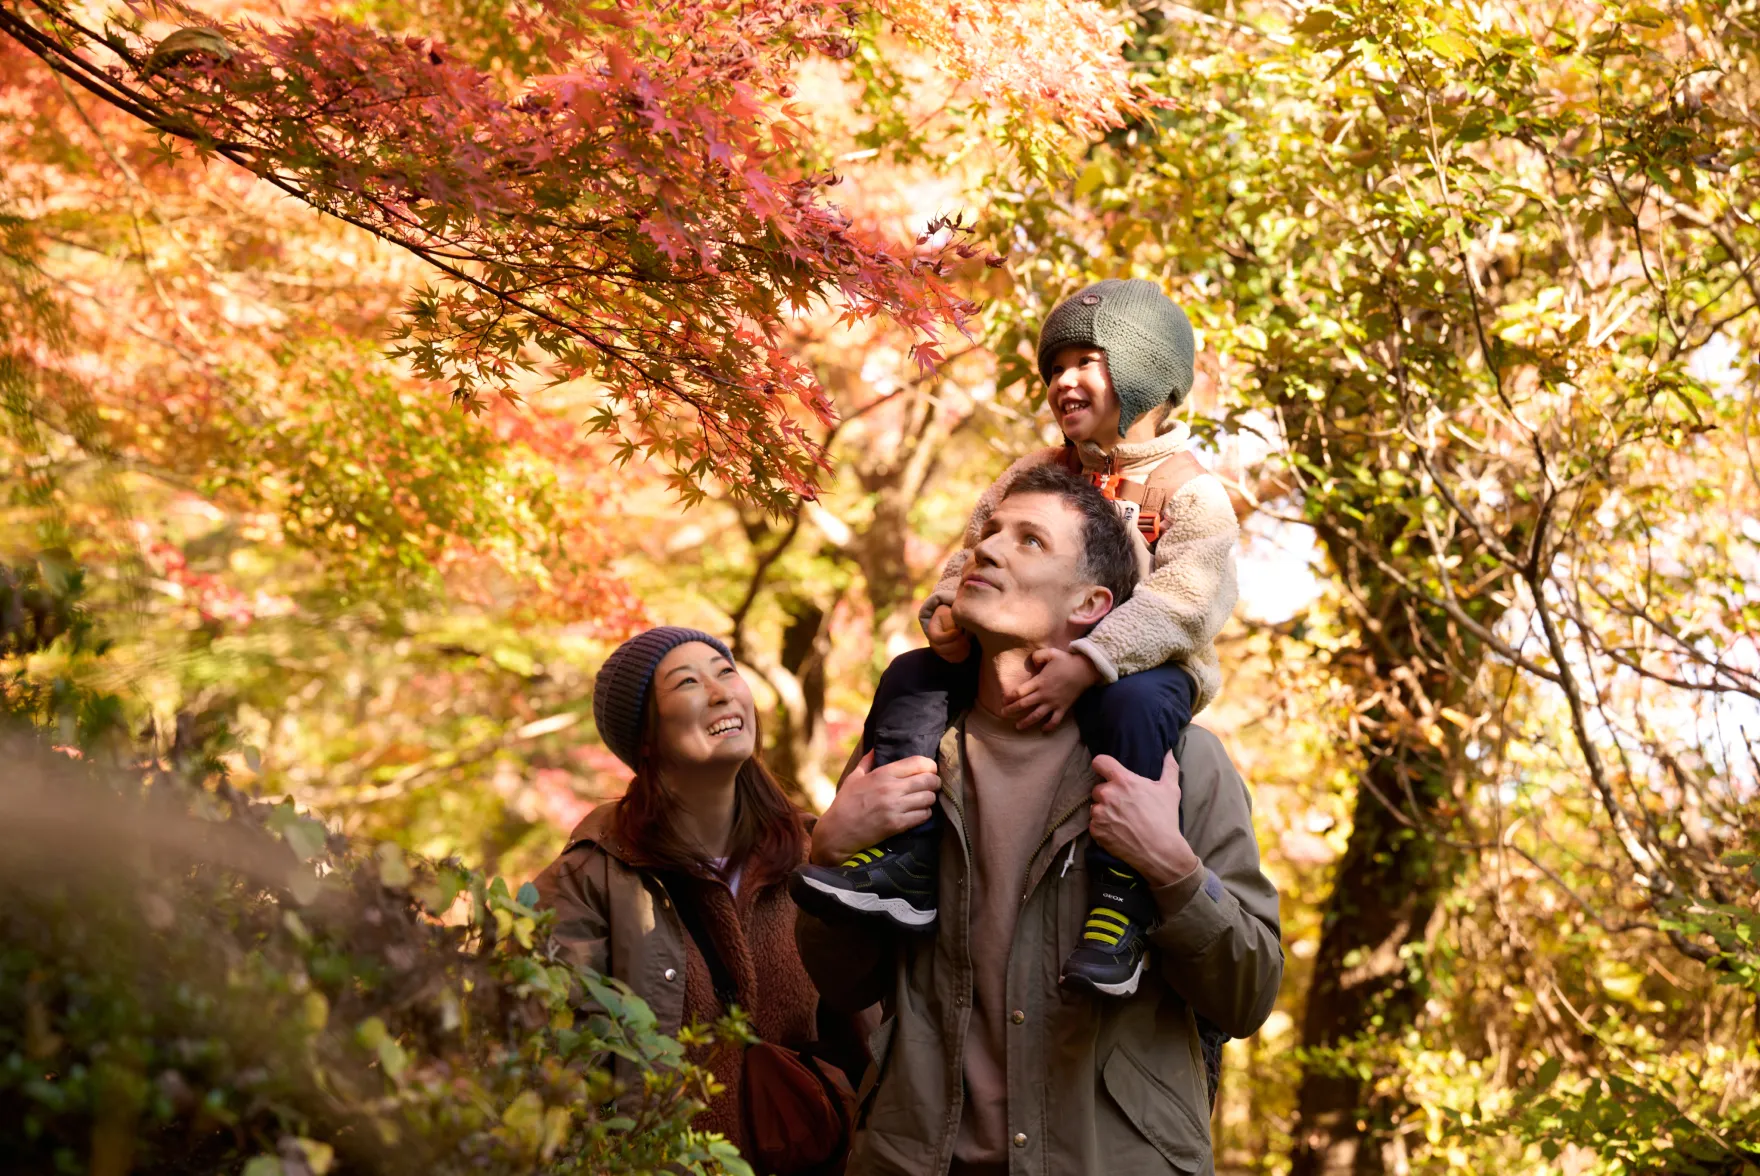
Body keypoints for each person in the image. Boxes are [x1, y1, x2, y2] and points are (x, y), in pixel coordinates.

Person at [795, 466, 1282, 1176]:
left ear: (1092, 603)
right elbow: (844, 987)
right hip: (919, 1160)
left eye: (1028, 541)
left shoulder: (1182, 764)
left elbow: (1249, 996)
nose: (987, 550)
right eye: (989, 533)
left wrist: (1172, 870)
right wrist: (829, 850)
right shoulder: (905, 751)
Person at [791, 278, 1241, 999]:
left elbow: (1184, 603)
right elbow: (970, 548)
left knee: (1136, 710)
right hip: (1016, 666)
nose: (1064, 381)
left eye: (1087, 363)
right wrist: (945, 608)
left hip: (1142, 669)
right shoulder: (1033, 474)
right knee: (911, 678)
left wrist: (1092, 661)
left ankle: (1119, 900)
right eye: (1055, 367)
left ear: (1149, 373)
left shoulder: (1190, 493)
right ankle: (906, 850)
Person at [532, 627, 856, 1165]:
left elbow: (870, 1031)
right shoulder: (587, 884)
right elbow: (562, 1072)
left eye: (725, 671)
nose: (721, 691)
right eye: (687, 682)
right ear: (645, 738)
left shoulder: (810, 853)